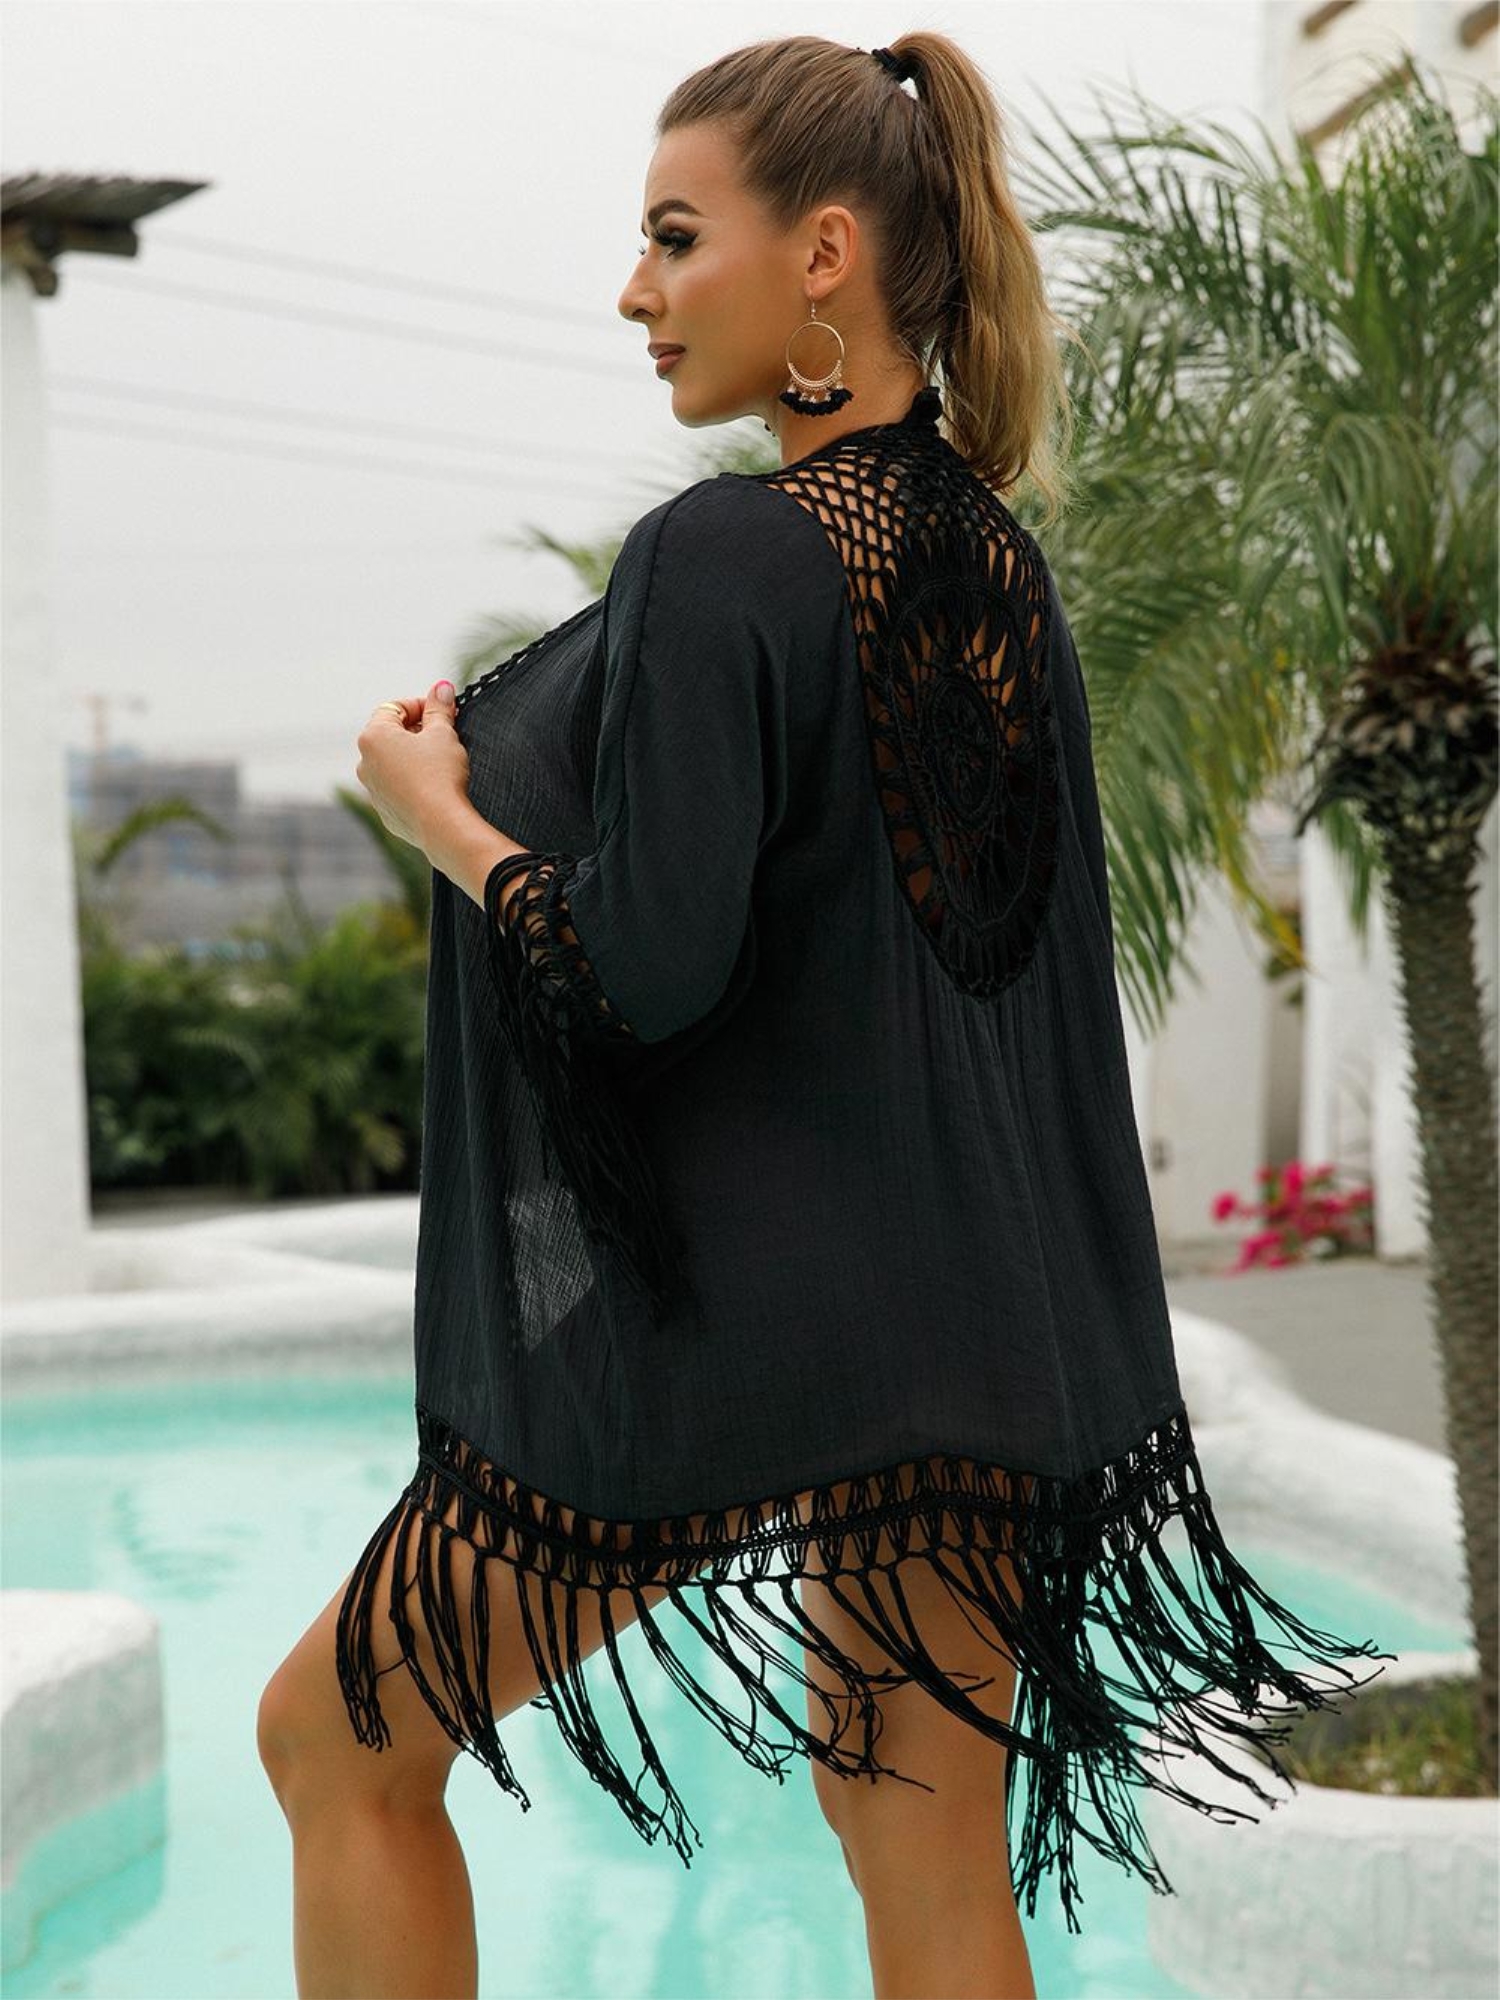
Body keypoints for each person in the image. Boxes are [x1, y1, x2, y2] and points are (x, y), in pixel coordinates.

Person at [257, 31, 1390, 2000]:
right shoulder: (997, 568)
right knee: (924, 1858)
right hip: (977, 1328)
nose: (633, 290)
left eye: (672, 237)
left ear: (826, 256)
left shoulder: (725, 553)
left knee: (335, 1743)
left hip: (763, 1327)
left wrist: (438, 812)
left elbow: (642, 970)